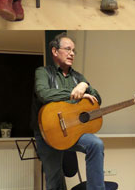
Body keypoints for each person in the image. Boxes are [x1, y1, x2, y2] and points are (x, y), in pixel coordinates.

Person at [31, 33, 105, 190]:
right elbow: (44, 94)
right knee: (54, 180)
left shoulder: (78, 77)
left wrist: (85, 85)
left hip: (72, 130)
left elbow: (97, 99)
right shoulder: (43, 72)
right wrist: (74, 91)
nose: (72, 53)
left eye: (74, 51)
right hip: (48, 132)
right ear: (55, 51)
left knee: (96, 144)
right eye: (68, 49)